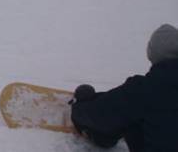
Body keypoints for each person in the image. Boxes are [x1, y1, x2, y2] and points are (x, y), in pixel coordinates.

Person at [69, 23, 178, 151]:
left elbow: (100, 114)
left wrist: (79, 107)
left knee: (127, 114)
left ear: (152, 53)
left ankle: (103, 137)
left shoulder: (145, 90)